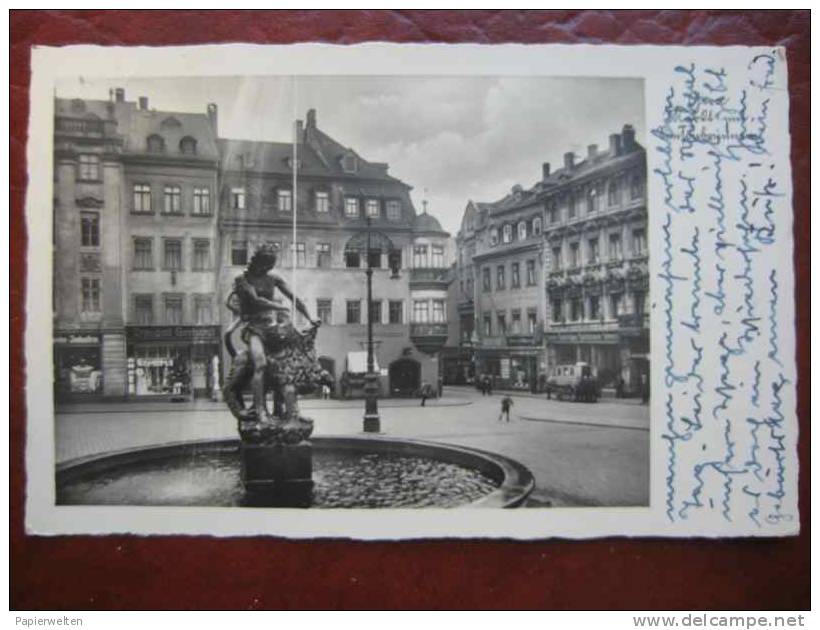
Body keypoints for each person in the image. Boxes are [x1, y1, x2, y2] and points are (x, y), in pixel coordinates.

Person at [229, 244, 320, 421]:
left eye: (270, 266)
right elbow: (256, 301)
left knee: (287, 366)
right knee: (260, 364)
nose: (266, 269)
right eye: (264, 264)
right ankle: (259, 409)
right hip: (254, 329)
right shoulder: (242, 279)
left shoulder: (273, 278)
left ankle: (291, 411)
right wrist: (278, 306)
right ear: (257, 262)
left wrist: (310, 318)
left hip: (272, 328)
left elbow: (295, 299)